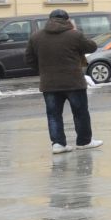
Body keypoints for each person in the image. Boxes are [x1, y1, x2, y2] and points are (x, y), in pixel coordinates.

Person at [26, 10, 100, 154]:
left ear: (49, 19)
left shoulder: (36, 37)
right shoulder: (75, 35)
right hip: (73, 82)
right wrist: (75, 29)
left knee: (53, 114)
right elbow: (92, 47)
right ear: (67, 20)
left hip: (49, 83)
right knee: (80, 113)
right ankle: (84, 141)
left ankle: (58, 144)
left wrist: (43, 71)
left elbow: (28, 59)